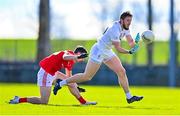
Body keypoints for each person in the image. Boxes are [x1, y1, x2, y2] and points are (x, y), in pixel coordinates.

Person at [53, 11, 143, 104]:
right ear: (121, 20)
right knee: (86, 76)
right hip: (98, 50)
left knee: (121, 71)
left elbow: (130, 42)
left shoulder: (126, 28)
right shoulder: (114, 30)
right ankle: (60, 83)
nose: (129, 22)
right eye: (128, 20)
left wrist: (136, 43)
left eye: (130, 20)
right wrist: (129, 52)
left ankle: (129, 97)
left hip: (107, 51)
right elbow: (118, 48)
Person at [9, 46, 97, 105]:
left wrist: (77, 87)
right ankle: (19, 99)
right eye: (81, 57)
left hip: (54, 73)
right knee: (44, 101)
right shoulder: (68, 54)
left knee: (71, 82)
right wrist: (76, 57)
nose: (82, 60)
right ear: (77, 53)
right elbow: (64, 57)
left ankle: (83, 102)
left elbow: (70, 77)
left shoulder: (71, 61)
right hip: (46, 73)